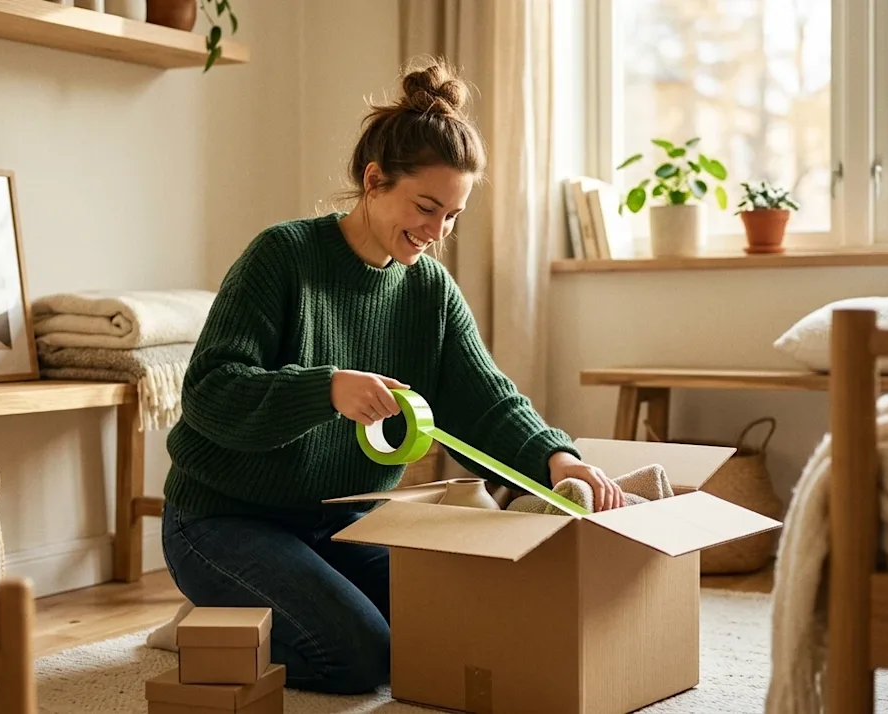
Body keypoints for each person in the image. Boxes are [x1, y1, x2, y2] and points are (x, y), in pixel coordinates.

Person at [160, 58, 624, 695]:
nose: (436, 233)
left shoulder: (428, 290)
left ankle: (264, 611)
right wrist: (324, 389)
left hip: (342, 524)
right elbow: (211, 391)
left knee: (459, 625)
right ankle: (217, 627)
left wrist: (555, 458)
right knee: (357, 658)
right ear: (374, 180)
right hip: (222, 520)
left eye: (452, 217)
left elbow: (485, 400)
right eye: (426, 207)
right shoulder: (283, 256)